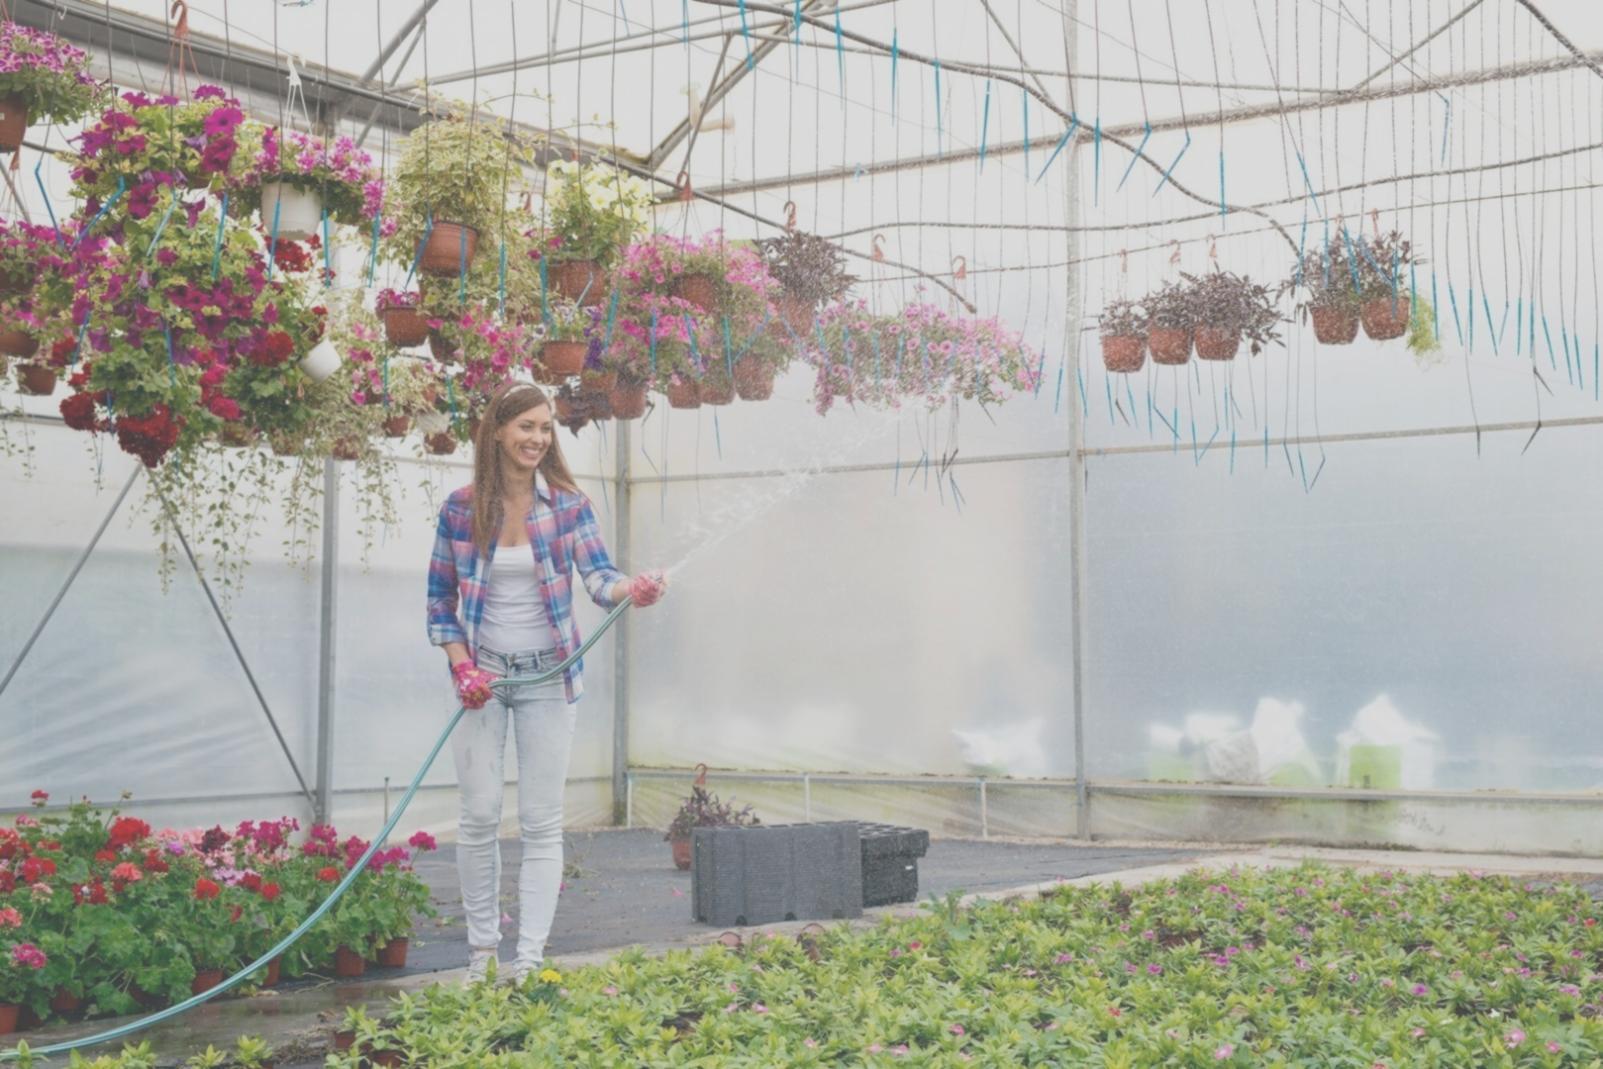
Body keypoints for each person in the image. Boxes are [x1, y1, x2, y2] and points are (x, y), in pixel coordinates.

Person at [426, 380, 666, 984]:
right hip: (480, 680)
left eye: (544, 428)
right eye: (525, 426)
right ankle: (481, 957)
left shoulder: (567, 505)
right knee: (479, 818)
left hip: (547, 680)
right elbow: (439, 604)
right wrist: (462, 667)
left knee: (540, 822)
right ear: (498, 432)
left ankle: (529, 962)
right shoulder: (460, 508)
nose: (537, 438)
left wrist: (631, 590)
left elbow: (599, 577)